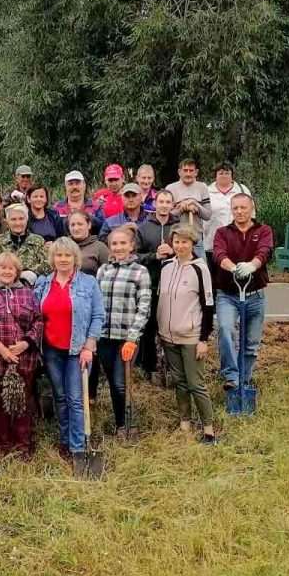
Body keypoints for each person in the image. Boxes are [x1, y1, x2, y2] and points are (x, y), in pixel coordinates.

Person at [33, 238, 104, 461]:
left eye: (67, 255)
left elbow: (98, 316)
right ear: (52, 259)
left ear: (75, 258)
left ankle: (77, 445)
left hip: (78, 350)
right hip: (52, 350)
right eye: (58, 255)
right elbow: (35, 316)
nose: (62, 259)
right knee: (60, 397)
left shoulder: (88, 283)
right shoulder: (43, 283)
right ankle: (65, 440)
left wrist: (89, 346)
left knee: (75, 398)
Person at [0, 252, 43, 457]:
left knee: (22, 402)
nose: (6, 271)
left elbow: (38, 322)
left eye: (10, 268)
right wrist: (2, 350)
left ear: (17, 272)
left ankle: (23, 445)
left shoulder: (28, 294)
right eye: (2, 268)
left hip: (24, 359)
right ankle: (2, 446)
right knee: (0, 404)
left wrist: (25, 343)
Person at [157, 225, 217, 444]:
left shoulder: (200, 269)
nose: (180, 246)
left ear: (192, 243)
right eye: (177, 242)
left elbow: (208, 305)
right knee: (180, 382)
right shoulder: (166, 266)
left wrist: (203, 339)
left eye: (185, 242)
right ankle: (184, 423)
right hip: (168, 336)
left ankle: (208, 429)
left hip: (191, 337)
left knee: (195, 383)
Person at [212, 193, 274, 391]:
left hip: (255, 295)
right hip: (227, 295)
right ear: (231, 210)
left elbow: (264, 251)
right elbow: (218, 254)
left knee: (251, 342)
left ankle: (244, 381)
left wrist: (252, 266)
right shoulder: (222, 232)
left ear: (251, 207)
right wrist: (233, 268)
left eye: (243, 208)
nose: (239, 212)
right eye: (235, 208)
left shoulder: (263, 230)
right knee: (226, 330)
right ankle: (231, 376)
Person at [95, 224, 152, 431]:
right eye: (114, 243)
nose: (118, 247)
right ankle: (120, 421)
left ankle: (127, 423)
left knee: (121, 383)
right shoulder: (104, 270)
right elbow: (96, 303)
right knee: (112, 383)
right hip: (104, 337)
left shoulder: (140, 272)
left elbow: (144, 307)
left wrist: (132, 337)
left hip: (126, 338)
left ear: (132, 246)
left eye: (123, 243)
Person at [135, 189, 181, 377]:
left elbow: (189, 252)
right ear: (155, 203)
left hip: (174, 285)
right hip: (151, 284)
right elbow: (135, 256)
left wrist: (173, 251)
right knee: (149, 327)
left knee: (171, 327)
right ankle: (149, 367)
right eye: (160, 201)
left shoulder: (178, 227)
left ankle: (172, 367)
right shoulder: (144, 227)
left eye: (167, 202)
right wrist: (155, 256)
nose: (164, 205)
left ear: (172, 205)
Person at [203, 163, 252, 270]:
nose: (224, 175)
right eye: (220, 173)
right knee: (214, 277)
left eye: (227, 173)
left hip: (238, 242)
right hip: (212, 241)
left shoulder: (242, 189)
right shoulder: (206, 191)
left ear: (232, 175)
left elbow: (251, 212)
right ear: (215, 175)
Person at [0, 203, 51, 276]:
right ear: (7, 221)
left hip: (31, 285)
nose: (18, 223)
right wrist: (16, 274)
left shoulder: (38, 241)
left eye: (21, 219)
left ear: (27, 220)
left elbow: (47, 266)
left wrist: (31, 272)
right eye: (13, 219)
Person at [165, 157, 212, 256]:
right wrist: (182, 208)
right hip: (177, 241)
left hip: (196, 240)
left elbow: (207, 215)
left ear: (196, 172)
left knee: (201, 269)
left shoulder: (202, 187)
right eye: (185, 170)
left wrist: (195, 204)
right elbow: (167, 216)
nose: (188, 174)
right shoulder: (171, 188)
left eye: (191, 171)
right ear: (179, 172)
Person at [67, 210, 109, 275]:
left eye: (80, 224)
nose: (76, 228)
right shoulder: (63, 246)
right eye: (72, 225)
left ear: (89, 225)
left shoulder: (100, 247)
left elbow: (107, 274)